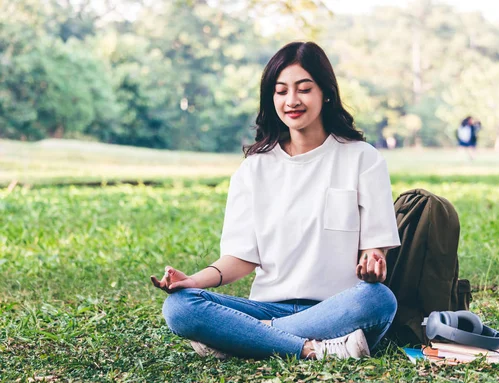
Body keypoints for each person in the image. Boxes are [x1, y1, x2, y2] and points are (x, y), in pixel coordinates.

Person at [151, 42, 401, 361]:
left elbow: (374, 250)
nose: (292, 100)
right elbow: (240, 258)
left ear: (326, 93)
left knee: (378, 300)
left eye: (303, 89)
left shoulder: (363, 159)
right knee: (179, 307)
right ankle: (311, 349)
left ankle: (246, 337)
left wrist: (373, 261)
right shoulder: (254, 168)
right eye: (281, 91)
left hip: (337, 308)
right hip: (268, 303)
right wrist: (192, 281)